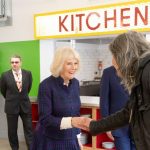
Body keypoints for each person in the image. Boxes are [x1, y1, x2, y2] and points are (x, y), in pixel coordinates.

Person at [73, 31, 150, 150]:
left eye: (114, 56)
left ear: (125, 56)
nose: (113, 61)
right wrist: (95, 126)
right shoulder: (140, 75)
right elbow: (128, 112)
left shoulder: (147, 73)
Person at [31, 47, 83, 150]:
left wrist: (78, 138)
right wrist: (71, 122)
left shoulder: (76, 83)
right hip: (50, 141)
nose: (74, 67)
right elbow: (45, 119)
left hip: (71, 139)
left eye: (76, 63)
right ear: (59, 65)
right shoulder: (46, 85)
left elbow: (76, 114)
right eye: (69, 63)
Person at [0, 55, 33, 150]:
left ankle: (31, 147)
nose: (14, 64)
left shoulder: (28, 74)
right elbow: (3, 90)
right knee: (12, 131)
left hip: (25, 106)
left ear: (20, 63)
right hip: (11, 107)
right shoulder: (5, 75)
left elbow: (28, 88)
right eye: (12, 62)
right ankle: (15, 148)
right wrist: (12, 98)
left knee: (29, 130)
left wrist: (21, 97)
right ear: (10, 63)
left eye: (16, 62)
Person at [100, 65, 135, 150]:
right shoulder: (108, 73)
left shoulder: (139, 69)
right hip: (119, 126)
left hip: (138, 127)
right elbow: (104, 101)